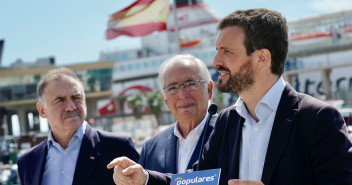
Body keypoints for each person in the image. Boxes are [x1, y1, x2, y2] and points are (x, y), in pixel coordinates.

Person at [107, 8, 352, 185]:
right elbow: (197, 182)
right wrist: (145, 178)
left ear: (261, 58)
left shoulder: (317, 119)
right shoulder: (227, 122)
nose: (215, 61)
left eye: (226, 52)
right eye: (217, 51)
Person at [17, 67, 139, 185]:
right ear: (42, 110)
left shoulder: (118, 147)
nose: (71, 107)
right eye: (60, 100)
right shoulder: (27, 162)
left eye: (76, 97)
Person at [138, 54, 217, 174]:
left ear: (209, 90)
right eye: (173, 88)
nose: (182, 95)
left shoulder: (229, 135)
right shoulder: (150, 149)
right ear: (165, 99)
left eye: (191, 84)